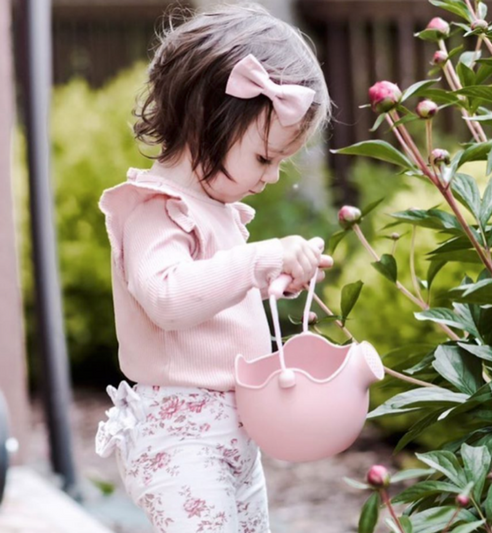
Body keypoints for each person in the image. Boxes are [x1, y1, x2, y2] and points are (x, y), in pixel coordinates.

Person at [95, 2, 334, 532]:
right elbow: (169, 300)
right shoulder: (156, 209)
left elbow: (215, 298)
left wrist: (275, 280)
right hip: (178, 439)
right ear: (209, 121)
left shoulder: (218, 211)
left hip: (230, 437)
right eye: (265, 158)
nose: (272, 177)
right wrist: (255, 261)